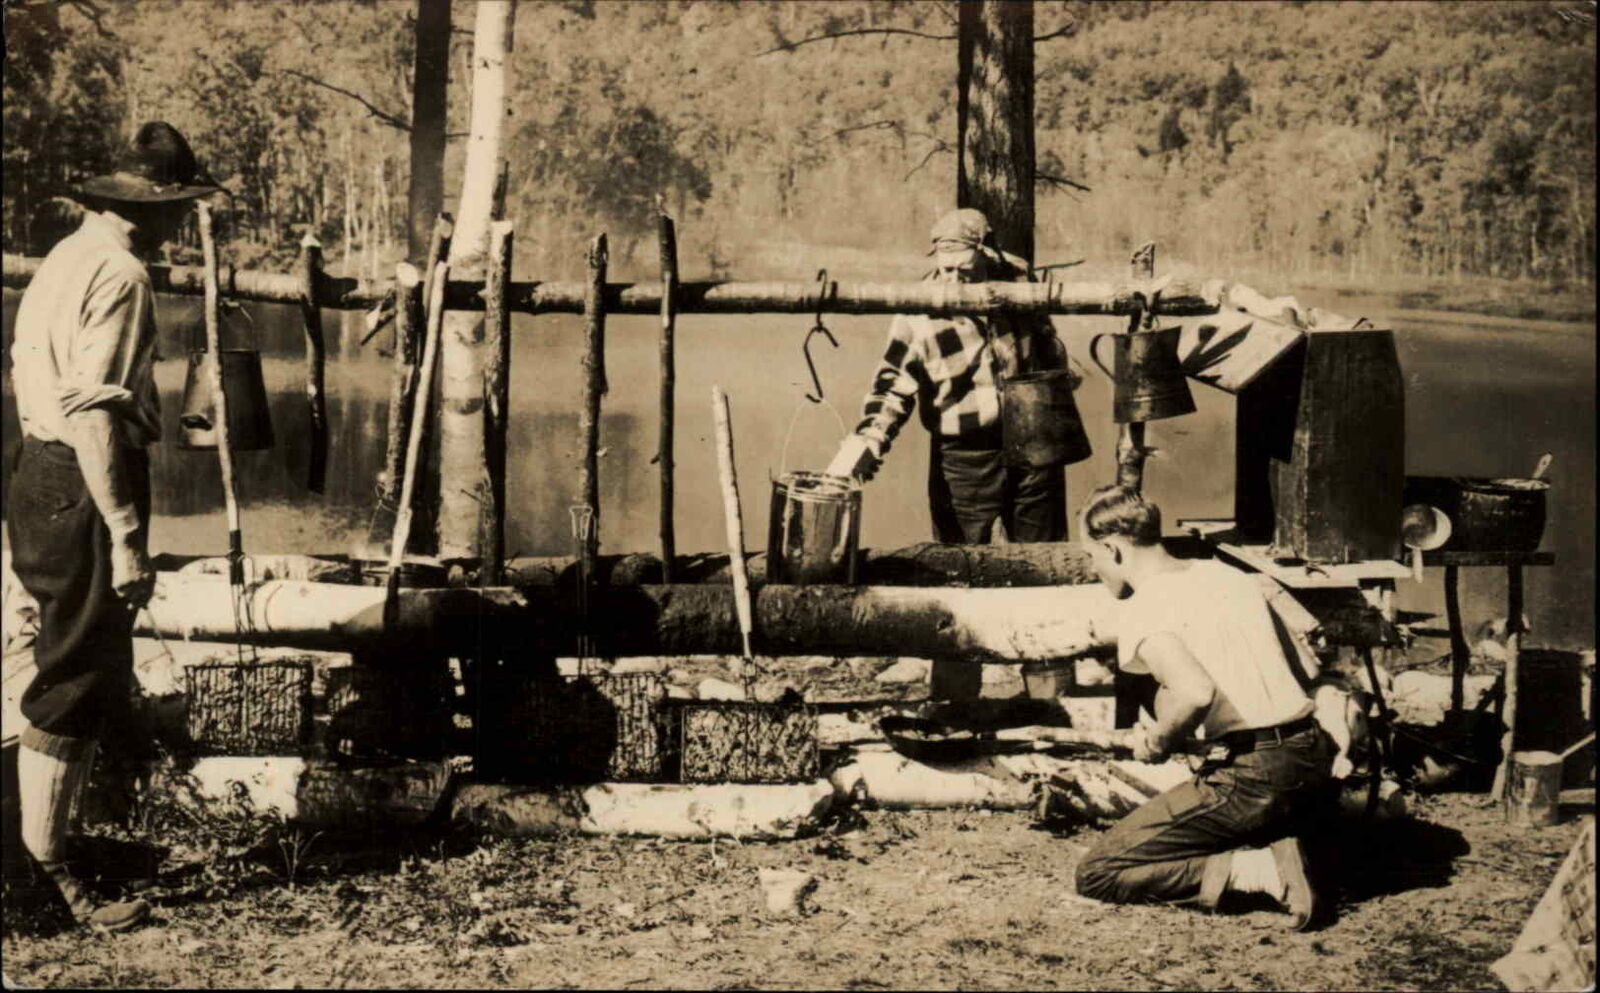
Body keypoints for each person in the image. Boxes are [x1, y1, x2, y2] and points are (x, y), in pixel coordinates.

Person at [8, 121, 221, 931]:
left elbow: (35, 377)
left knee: (72, 656)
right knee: (79, 671)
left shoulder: (66, 256)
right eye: (180, 206)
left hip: (40, 470)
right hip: (83, 475)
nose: (181, 221)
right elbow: (92, 411)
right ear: (156, 208)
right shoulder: (123, 273)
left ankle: (44, 852)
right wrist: (126, 532)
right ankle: (46, 877)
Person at [1071, 484, 1336, 930]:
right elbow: (1306, 669)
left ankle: (1261, 871)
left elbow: (1195, 693)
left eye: (1090, 556)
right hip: (1311, 755)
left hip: (1255, 775)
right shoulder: (1230, 575)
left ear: (1112, 549)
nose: (1092, 568)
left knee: (1099, 872)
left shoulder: (1143, 606)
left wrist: (1158, 742)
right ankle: (1296, 841)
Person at [824, 208, 1069, 544]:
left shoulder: (1017, 278)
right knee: (961, 559)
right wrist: (870, 441)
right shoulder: (919, 313)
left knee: (1044, 549)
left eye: (965, 271)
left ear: (986, 253)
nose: (954, 282)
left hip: (1032, 438)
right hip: (965, 456)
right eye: (946, 269)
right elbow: (891, 388)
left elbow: (1044, 335)